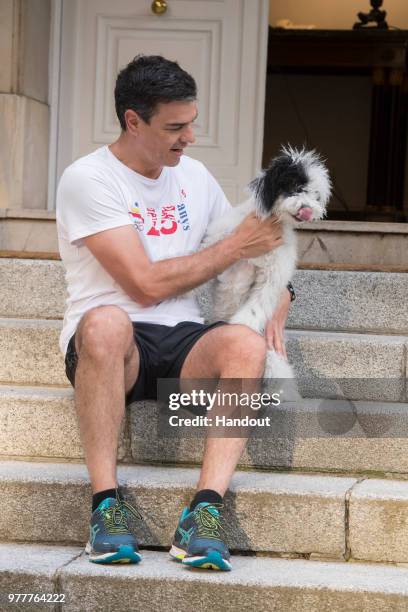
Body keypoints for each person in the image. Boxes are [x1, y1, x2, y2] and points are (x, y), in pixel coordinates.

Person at [56, 55, 292, 571]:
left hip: (181, 338)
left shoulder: (194, 175)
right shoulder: (88, 179)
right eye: (175, 127)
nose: (188, 138)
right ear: (132, 121)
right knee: (105, 322)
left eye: (192, 123)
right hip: (113, 348)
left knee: (243, 344)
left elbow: (244, 241)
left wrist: (280, 287)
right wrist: (235, 249)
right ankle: (105, 508)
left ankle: (204, 513)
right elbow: (142, 286)